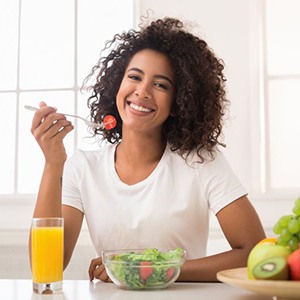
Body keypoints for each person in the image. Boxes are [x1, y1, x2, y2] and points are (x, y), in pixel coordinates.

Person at [29, 17, 266, 282]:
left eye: (161, 84)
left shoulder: (200, 161)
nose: (142, 91)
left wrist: (152, 270)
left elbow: (254, 252)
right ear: (118, 84)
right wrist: (53, 164)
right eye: (134, 77)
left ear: (179, 102)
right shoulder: (83, 168)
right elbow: (46, 266)